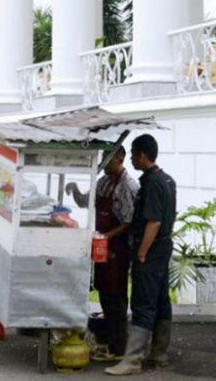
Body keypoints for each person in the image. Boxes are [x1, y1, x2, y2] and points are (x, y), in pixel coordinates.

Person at [105, 134, 176, 376]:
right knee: (160, 300)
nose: (131, 159)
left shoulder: (152, 183)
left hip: (152, 248)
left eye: (133, 154)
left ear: (143, 155)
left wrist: (143, 252)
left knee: (143, 302)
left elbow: (154, 222)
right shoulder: (167, 180)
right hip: (165, 247)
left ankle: (132, 359)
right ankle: (159, 353)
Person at [66, 145, 138, 362]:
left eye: (108, 158)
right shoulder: (104, 182)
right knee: (105, 292)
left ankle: (118, 348)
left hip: (119, 248)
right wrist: (75, 190)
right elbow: (85, 201)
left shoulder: (127, 186)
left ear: (120, 158)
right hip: (103, 246)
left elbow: (129, 222)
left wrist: (107, 237)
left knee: (116, 297)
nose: (103, 163)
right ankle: (109, 341)